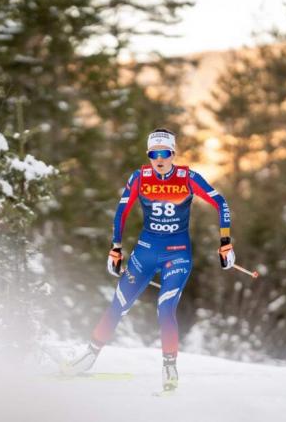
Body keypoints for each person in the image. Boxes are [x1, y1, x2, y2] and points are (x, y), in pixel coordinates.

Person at [66, 128, 235, 392]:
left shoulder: (188, 178)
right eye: (153, 154)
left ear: (172, 154)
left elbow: (220, 203)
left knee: (165, 309)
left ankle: (170, 369)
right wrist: (116, 248)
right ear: (149, 155)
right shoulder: (140, 177)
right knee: (118, 304)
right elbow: (121, 211)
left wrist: (225, 243)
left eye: (164, 153)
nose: (159, 159)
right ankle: (88, 358)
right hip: (145, 251)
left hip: (177, 253)